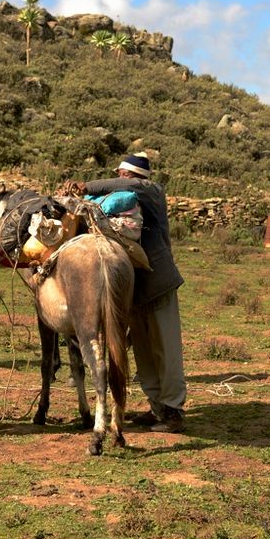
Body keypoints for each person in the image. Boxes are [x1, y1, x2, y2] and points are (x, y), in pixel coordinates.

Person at [78, 152, 187, 433]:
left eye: (123, 176)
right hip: (133, 288)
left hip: (159, 282)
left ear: (134, 176)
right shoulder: (125, 204)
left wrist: (87, 187)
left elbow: (131, 187)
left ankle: (173, 411)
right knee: (143, 351)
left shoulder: (150, 191)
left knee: (166, 348)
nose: (121, 180)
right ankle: (157, 407)